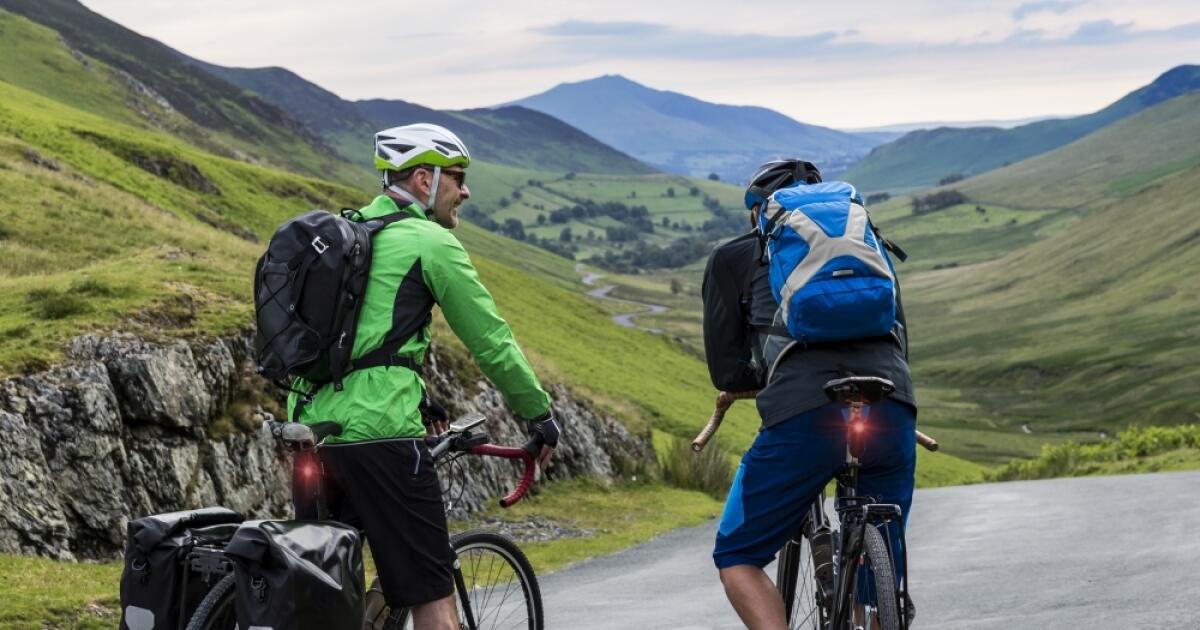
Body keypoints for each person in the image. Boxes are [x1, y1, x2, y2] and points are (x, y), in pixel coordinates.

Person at [287, 123, 562, 629]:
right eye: (457, 177)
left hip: (311, 430)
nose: (465, 189)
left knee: (323, 587)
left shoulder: (348, 233)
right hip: (380, 433)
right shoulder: (429, 241)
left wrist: (423, 395)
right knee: (432, 590)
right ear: (422, 180)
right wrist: (539, 413)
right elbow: (491, 341)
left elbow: (359, 335)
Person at [701, 159, 917, 629]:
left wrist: (758, 377)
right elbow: (902, 336)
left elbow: (726, 370)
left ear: (758, 211)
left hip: (804, 409)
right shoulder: (868, 245)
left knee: (737, 553)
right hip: (889, 399)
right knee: (881, 529)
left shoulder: (734, 257)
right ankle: (880, 609)